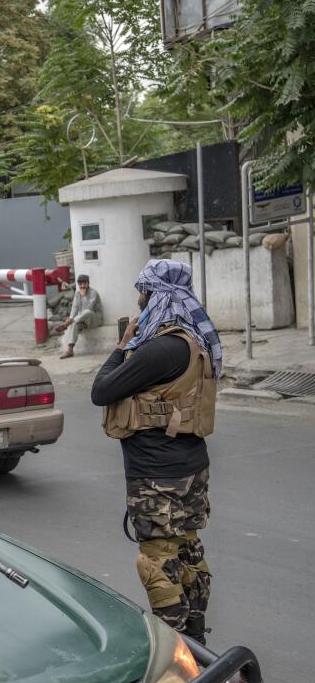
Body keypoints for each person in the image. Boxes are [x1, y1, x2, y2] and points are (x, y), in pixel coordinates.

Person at [90, 259, 220, 646]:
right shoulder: (195, 342)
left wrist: (120, 347)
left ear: (156, 295)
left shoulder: (159, 350)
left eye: (143, 294)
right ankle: (198, 643)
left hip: (156, 477)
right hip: (192, 469)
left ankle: (175, 647)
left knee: (157, 561)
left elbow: (101, 391)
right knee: (188, 550)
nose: (140, 301)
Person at [54, 274, 103, 359]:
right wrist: (71, 318)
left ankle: (66, 324)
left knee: (87, 312)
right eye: (80, 284)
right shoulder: (77, 293)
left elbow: (88, 308)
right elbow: (74, 308)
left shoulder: (93, 293)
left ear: (88, 283)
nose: (82, 286)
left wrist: (83, 296)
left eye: (84, 283)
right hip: (82, 320)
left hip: (94, 319)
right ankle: (70, 350)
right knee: (74, 324)